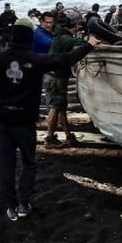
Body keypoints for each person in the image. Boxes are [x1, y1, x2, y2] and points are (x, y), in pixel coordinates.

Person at [0, 17, 99, 221]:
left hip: (3, 120)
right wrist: (89, 46)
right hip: (24, 121)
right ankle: (23, 203)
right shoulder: (36, 60)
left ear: (13, 35)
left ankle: (11, 207)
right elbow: (65, 58)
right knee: (29, 162)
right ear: (30, 37)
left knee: (5, 165)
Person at [45, 9, 86, 148]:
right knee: (56, 108)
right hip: (57, 78)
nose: (78, 27)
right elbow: (79, 45)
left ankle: (68, 136)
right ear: (72, 24)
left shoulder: (59, 35)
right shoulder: (65, 39)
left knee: (61, 108)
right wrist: (90, 43)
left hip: (53, 76)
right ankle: (49, 138)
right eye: (77, 24)